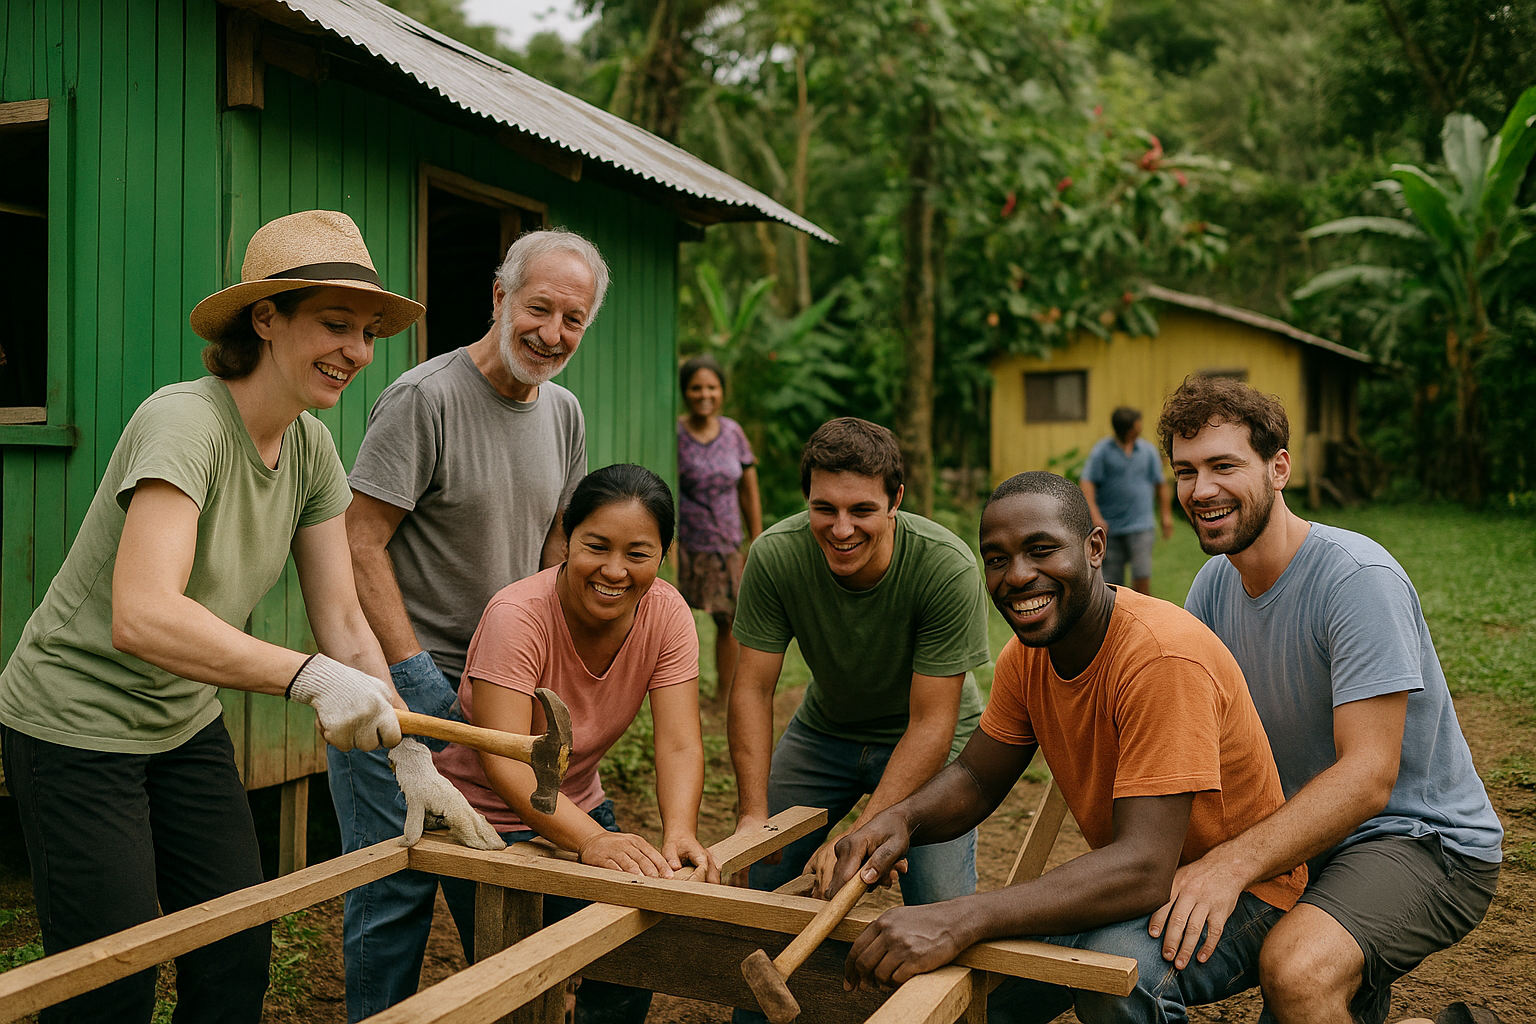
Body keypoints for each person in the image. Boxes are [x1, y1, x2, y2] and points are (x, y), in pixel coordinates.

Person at [0, 210, 497, 1024]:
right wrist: (308, 679)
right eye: (335, 325)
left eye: (368, 332)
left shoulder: (309, 450)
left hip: (181, 723)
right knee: (109, 984)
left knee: (234, 951)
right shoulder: (184, 421)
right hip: (73, 726)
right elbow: (144, 615)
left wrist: (406, 744)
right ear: (265, 318)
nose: (357, 352)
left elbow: (342, 619)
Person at [831, 471, 1307, 1024]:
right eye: (997, 559)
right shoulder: (1029, 653)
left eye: (1041, 550)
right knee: (992, 992)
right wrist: (901, 820)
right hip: (1136, 879)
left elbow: (1143, 868)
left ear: (1095, 549)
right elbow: (978, 779)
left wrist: (961, 917)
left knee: (1111, 974)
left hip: (1245, 893)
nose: (1018, 576)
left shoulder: (1161, 659)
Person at [1150, 376, 1502, 1024]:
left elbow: (1370, 777)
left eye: (1224, 465)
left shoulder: (1356, 580)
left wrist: (1229, 865)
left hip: (1422, 839)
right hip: (1312, 840)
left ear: (1279, 468)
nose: (1201, 490)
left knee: (1297, 969)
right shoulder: (1210, 588)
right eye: (1185, 471)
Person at [334, 227, 605, 1020]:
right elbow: (359, 541)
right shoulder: (426, 398)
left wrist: (547, 658)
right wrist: (414, 669)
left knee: (501, 878)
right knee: (395, 888)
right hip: (394, 686)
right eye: (540, 309)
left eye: (574, 320)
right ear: (499, 298)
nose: (553, 334)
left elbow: (559, 541)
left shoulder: (563, 411)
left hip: (500, 687)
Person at [435, 464, 719, 1024]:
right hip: (483, 821)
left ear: (663, 555)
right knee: (518, 982)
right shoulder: (518, 616)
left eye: (638, 554)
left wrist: (680, 830)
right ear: (567, 538)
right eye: (596, 546)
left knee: (628, 958)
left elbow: (681, 744)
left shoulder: (666, 614)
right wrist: (593, 842)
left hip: (578, 801)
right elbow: (505, 761)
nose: (613, 570)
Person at [727, 419, 990, 970]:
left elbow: (931, 725)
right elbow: (751, 689)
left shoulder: (946, 567)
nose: (841, 529)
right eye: (825, 508)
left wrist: (867, 831)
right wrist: (754, 817)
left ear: (895, 499)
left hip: (932, 741)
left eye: (861, 510)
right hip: (826, 732)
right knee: (757, 879)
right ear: (807, 500)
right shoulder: (775, 555)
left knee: (938, 909)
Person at [675, 353, 763, 706]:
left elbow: (749, 487)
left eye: (711, 387)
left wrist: (756, 537)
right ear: (685, 392)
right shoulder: (675, 434)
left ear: (722, 391)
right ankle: (680, 697)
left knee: (728, 620)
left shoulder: (733, 433)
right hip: (687, 544)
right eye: (696, 388)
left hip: (727, 542)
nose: (704, 394)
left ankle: (725, 697)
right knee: (678, 621)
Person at [1080, 406, 1174, 595]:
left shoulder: (1147, 451)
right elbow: (1087, 483)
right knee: (1112, 584)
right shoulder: (1102, 451)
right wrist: (1096, 516)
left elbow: (1160, 485)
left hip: (1141, 526)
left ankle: (1142, 617)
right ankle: (1117, 621)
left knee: (1142, 575)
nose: (1140, 428)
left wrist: (1165, 515)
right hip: (1110, 528)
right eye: (1136, 425)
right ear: (1128, 429)